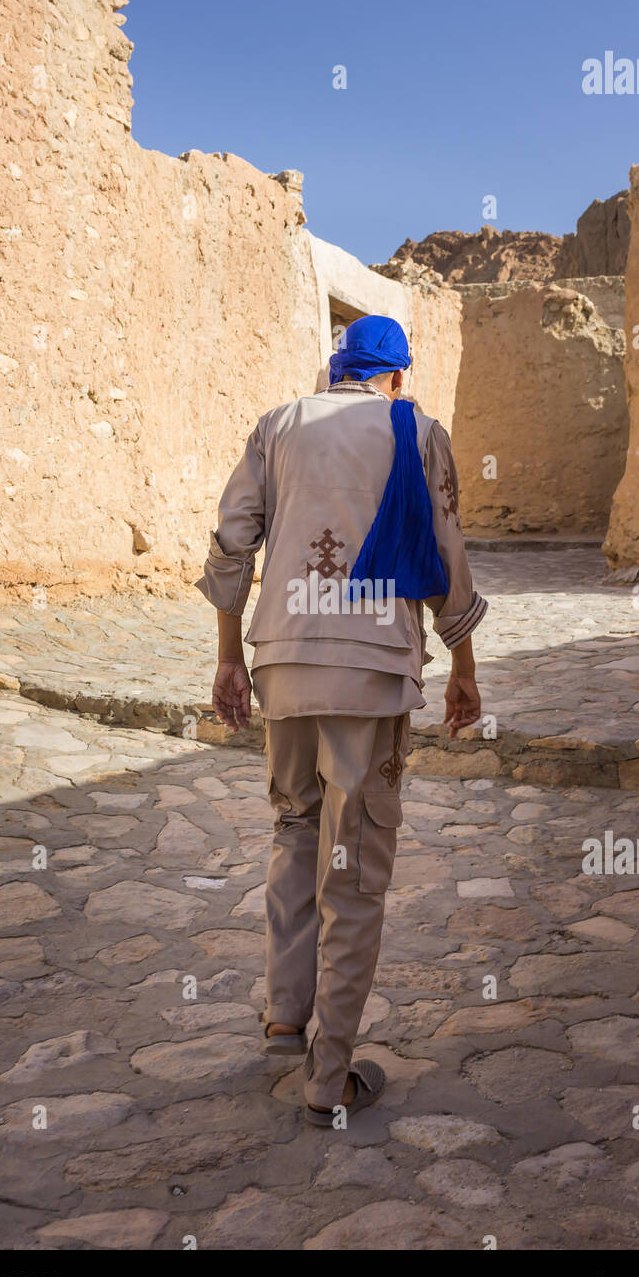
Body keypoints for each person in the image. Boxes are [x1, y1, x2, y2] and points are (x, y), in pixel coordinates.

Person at [197, 314, 486, 1124]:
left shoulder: (277, 424)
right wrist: (463, 665)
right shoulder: (417, 430)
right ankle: (329, 1080)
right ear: (396, 376)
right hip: (369, 668)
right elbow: (445, 550)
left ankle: (285, 1017)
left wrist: (229, 659)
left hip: (282, 660)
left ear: (338, 369)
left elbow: (231, 545)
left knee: (294, 829)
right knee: (352, 868)